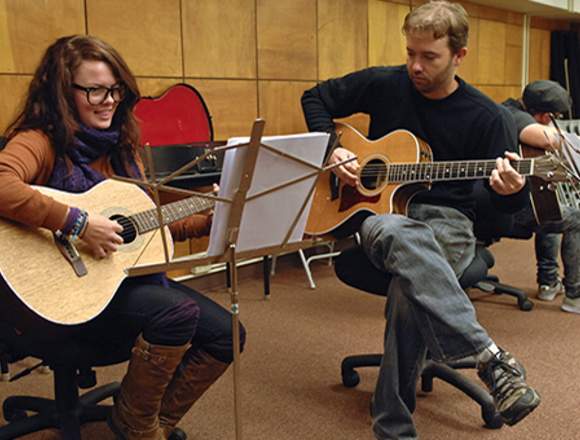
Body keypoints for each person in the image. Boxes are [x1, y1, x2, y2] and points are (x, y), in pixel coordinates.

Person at [302, 2, 540, 439]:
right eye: (411, 52)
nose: (415, 65)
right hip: (380, 217)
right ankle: (488, 357)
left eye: (429, 57)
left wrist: (511, 192)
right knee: (391, 229)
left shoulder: (489, 118)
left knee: (408, 290)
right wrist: (332, 148)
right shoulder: (384, 83)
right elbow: (314, 98)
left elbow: (508, 217)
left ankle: (392, 426)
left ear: (459, 55)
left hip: (447, 223)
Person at [0, 35, 246, 440]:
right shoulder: (38, 141)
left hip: (114, 284)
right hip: (56, 301)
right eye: (95, 89)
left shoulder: (120, 149)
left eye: (115, 89)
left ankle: (141, 423)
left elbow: (142, 227)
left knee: (227, 334)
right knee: (176, 313)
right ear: (63, 92)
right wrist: (76, 222)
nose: (109, 100)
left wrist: (209, 217)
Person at [502, 80, 580, 313]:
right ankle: (575, 295)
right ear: (544, 115)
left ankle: (548, 283)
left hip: (504, 201)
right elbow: (547, 139)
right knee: (576, 218)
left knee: (547, 204)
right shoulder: (514, 118)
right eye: (552, 116)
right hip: (503, 208)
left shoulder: (509, 108)